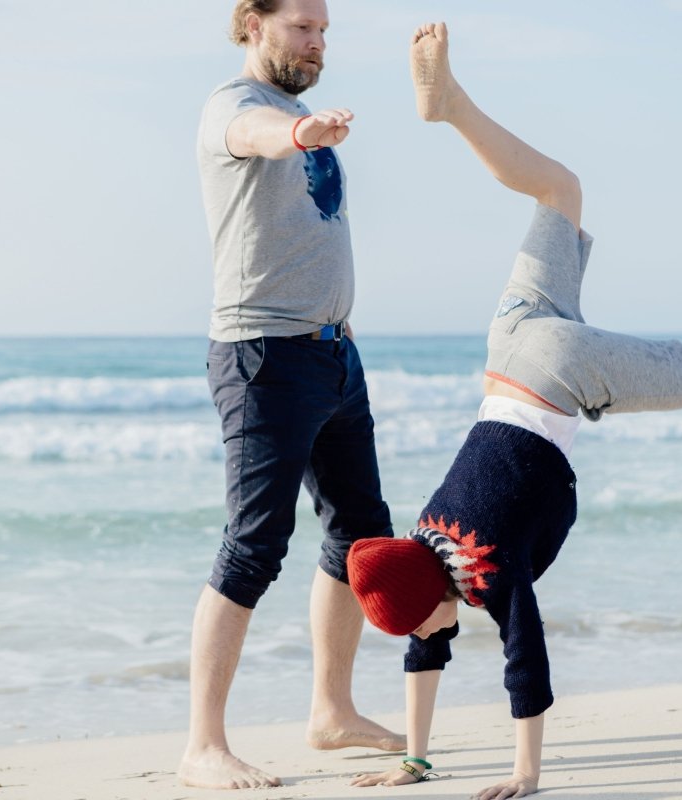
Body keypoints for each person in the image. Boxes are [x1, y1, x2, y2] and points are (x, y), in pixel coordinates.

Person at [348, 22, 682, 800]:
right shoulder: (423, 545)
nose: (420, 646)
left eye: (415, 631)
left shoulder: (482, 572)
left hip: (559, 376)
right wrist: (414, 762)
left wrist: (525, 775)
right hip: (509, 348)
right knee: (561, 190)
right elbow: (425, 645)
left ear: (429, 603)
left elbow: (525, 660)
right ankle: (453, 107)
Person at [177, 0, 405, 789]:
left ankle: (331, 712)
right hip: (263, 357)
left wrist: (307, 125)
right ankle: (202, 746)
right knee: (253, 547)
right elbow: (255, 139)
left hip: (335, 355)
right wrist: (301, 135)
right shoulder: (236, 108)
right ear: (253, 24)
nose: (317, 44)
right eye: (302, 27)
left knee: (359, 531)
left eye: (324, 32)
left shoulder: (300, 108)